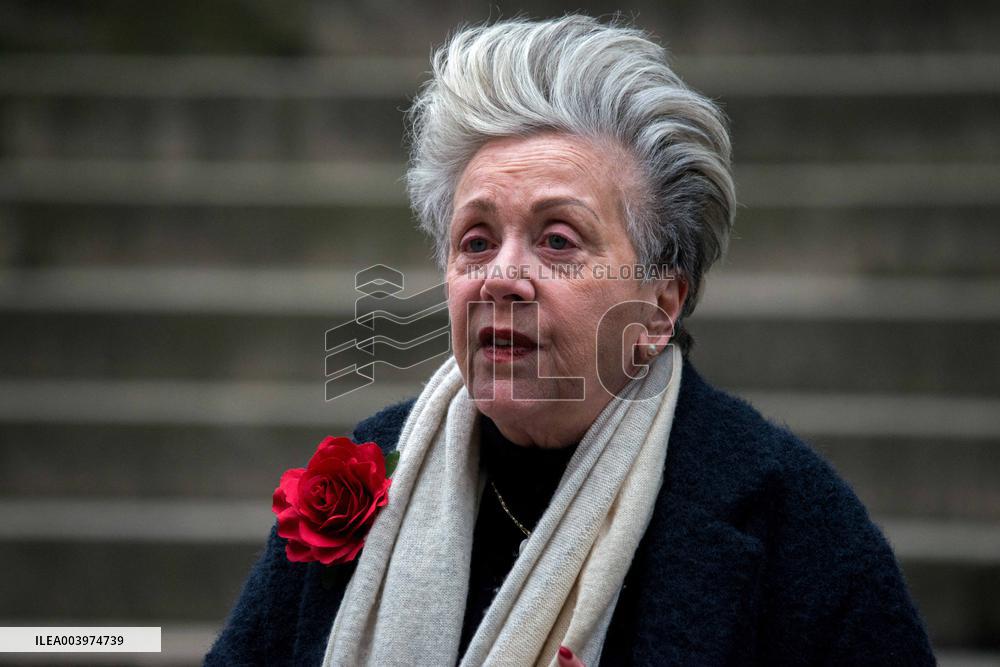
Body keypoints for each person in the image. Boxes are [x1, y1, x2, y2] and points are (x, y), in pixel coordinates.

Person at [206, 15, 935, 666]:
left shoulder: (788, 518)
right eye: (476, 240)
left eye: (557, 239)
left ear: (661, 301)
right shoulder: (370, 468)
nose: (502, 277)